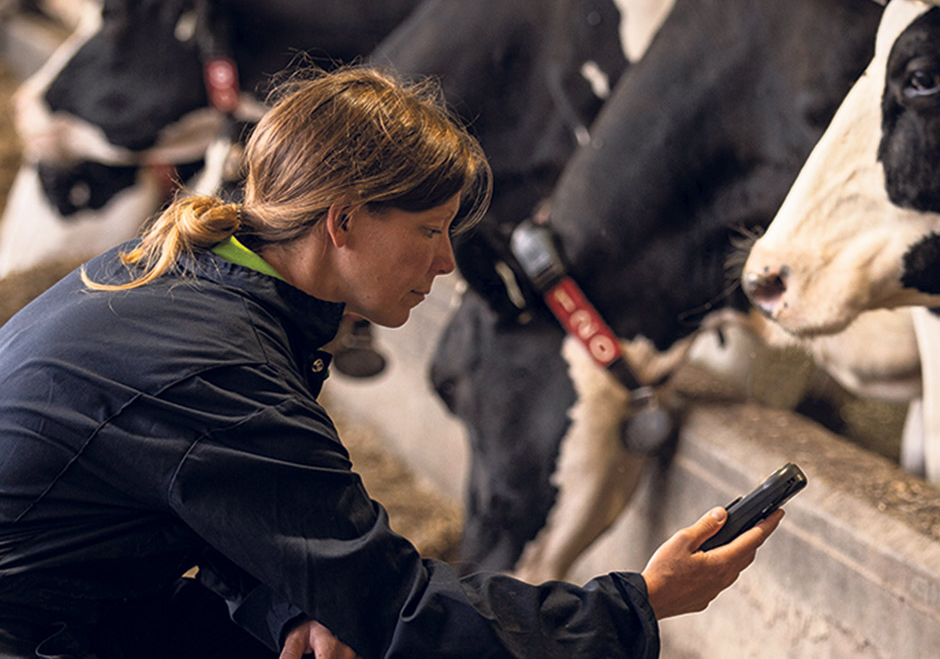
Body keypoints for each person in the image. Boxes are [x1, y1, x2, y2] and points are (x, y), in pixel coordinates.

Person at [0, 66, 782, 659]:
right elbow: (400, 608)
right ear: (342, 221)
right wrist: (638, 604)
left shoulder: (187, 270)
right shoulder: (219, 368)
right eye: (429, 230)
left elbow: (212, 509)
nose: (446, 263)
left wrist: (296, 602)